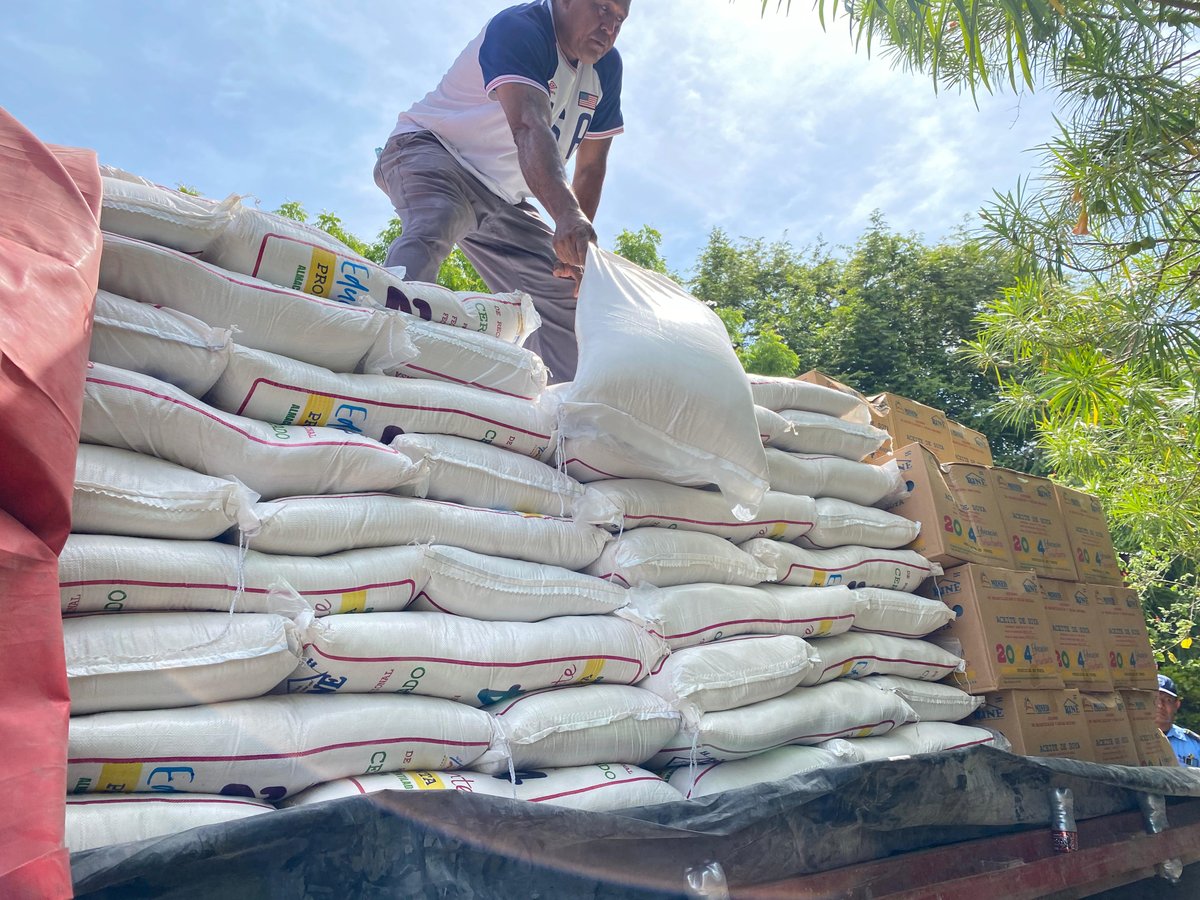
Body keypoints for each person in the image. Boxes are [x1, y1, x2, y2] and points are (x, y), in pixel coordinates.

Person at [374, 0, 631, 383]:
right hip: (434, 150)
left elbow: (591, 167)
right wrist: (564, 214)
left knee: (569, 288)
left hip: (505, 197)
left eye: (620, 18)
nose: (609, 26)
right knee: (438, 218)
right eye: (601, 8)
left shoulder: (607, 70)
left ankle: (563, 406)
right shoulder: (521, 27)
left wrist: (575, 251)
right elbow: (529, 126)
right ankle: (380, 350)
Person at [1156, 673, 1200, 767]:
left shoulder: (1194, 744)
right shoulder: (1132, 742)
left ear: (1176, 705)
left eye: (1167, 700)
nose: (1160, 705)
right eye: (1155, 699)